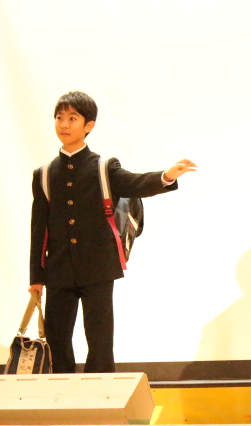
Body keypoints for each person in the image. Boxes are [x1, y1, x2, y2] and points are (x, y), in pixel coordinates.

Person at [29, 91, 197, 374]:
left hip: (98, 267)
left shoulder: (103, 167)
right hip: (58, 270)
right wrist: (36, 276)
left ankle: (100, 394)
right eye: (59, 118)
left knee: (100, 340)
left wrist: (166, 176)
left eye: (72, 118)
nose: (64, 124)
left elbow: (135, 183)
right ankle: (61, 394)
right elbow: (38, 227)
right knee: (57, 340)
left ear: (89, 125)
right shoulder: (43, 173)